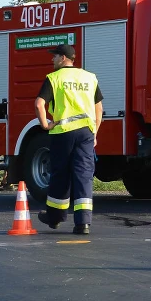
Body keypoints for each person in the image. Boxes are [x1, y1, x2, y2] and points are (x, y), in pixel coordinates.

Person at [33, 44, 103, 235]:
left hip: (63, 132)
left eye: (55, 56)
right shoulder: (90, 78)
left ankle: (55, 217)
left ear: (63, 58)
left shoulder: (54, 78)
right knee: (84, 175)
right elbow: (99, 109)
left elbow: (39, 104)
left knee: (60, 174)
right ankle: (83, 224)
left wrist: (45, 125)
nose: (52, 60)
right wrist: (94, 133)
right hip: (86, 133)